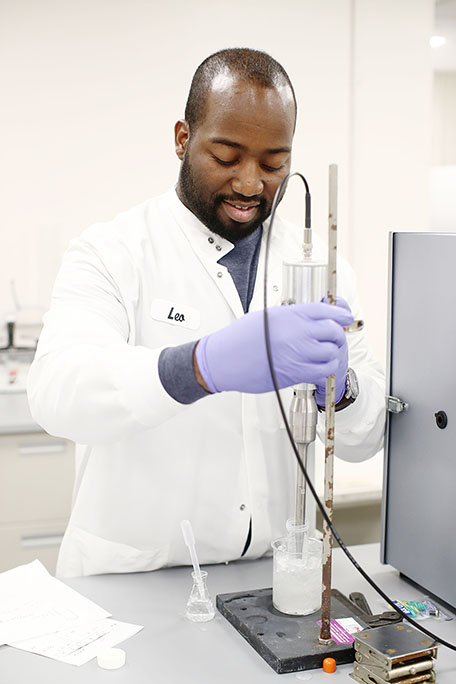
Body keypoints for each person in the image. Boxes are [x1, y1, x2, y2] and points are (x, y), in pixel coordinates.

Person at [27, 48, 385, 578]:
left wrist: (344, 389)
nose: (249, 184)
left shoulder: (321, 270)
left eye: (273, 164)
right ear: (182, 139)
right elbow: (58, 394)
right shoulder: (114, 251)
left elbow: (366, 439)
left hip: (269, 580)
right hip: (134, 579)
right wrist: (197, 367)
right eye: (225, 157)